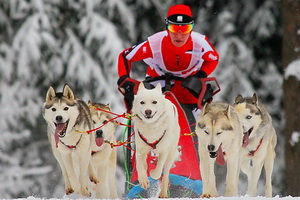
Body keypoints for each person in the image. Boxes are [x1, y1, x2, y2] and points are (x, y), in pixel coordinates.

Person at [117, 4, 219, 198]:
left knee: (195, 123)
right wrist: (125, 80)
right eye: (174, 28)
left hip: (187, 89)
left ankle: (193, 174)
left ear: (192, 28)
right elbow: (125, 56)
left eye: (185, 29)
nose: (179, 35)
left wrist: (200, 75)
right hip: (157, 87)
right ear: (167, 27)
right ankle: (142, 176)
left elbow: (213, 59)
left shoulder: (200, 43)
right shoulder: (154, 43)